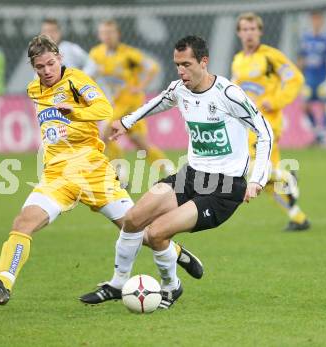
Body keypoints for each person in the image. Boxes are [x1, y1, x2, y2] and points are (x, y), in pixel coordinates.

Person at [0, 35, 203, 305]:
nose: (46, 71)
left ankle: (177, 252)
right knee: (23, 223)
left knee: (143, 233)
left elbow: (104, 108)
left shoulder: (77, 81)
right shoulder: (34, 90)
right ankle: (3, 284)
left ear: (60, 58)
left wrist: (75, 112)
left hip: (93, 171)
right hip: (57, 175)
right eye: (39, 67)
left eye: (50, 63)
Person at [80, 35, 273, 309]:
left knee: (157, 233)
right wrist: (126, 121)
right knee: (133, 220)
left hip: (225, 188)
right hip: (191, 175)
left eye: (186, 64)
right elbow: (158, 102)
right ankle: (118, 283)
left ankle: (171, 287)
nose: (181, 71)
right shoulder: (179, 89)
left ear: (203, 62)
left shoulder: (229, 94)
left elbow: (265, 132)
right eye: (177, 65)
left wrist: (257, 179)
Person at [232, 12, 310, 231]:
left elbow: (296, 79)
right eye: (245, 29)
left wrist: (275, 101)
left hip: (268, 124)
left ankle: (287, 176)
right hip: (248, 126)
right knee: (264, 180)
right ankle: (298, 217)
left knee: (256, 170)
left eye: (253, 29)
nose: (249, 33)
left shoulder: (270, 56)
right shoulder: (238, 60)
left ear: (260, 31)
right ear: (239, 33)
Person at [90, 19, 174, 186]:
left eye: (110, 32)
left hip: (130, 104)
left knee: (106, 132)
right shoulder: (96, 54)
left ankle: (120, 174)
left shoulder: (128, 55)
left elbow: (153, 67)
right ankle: (169, 170)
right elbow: (89, 75)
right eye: (104, 33)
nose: (107, 36)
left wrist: (140, 86)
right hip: (114, 103)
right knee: (140, 144)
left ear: (118, 34)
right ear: (100, 35)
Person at [298, 10, 326, 146]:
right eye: (313, 19)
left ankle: (323, 136)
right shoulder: (305, 37)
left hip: (323, 77)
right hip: (309, 77)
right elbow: (301, 57)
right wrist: (298, 76)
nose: (315, 22)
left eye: (318, 19)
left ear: (322, 20)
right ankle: (318, 134)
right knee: (304, 106)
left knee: (324, 105)